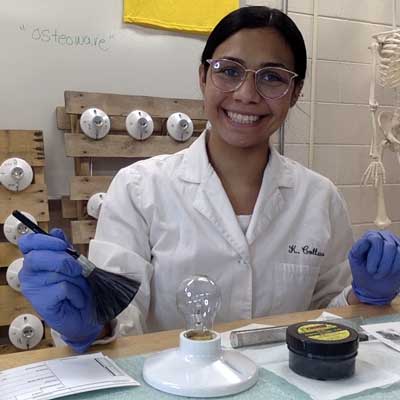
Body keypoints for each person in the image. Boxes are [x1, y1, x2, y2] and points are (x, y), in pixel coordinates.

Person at [18, 6, 400, 353]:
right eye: (229, 71)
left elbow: (328, 319)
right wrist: (92, 321)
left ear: (295, 92)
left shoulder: (320, 198)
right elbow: (122, 317)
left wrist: (362, 296)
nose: (247, 94)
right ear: (203, 76)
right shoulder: (139, 188)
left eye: (272, 77)